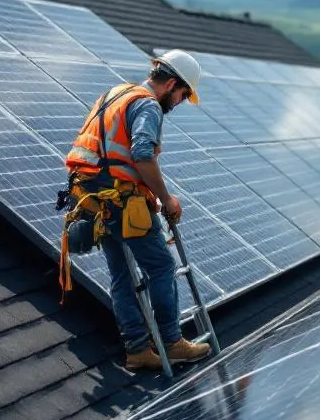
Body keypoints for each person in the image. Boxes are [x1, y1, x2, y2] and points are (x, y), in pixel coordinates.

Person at [64, 49, 212, 371]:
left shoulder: (116, 93)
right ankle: (172, 343)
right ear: (171, 83)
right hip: (121, 201)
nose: (181, 102)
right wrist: (166, 199)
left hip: (93, 202)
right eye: (183, 94)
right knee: (160, 266)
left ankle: (137, 350)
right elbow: (142, 154)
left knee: (120, 273)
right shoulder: (147, 105)